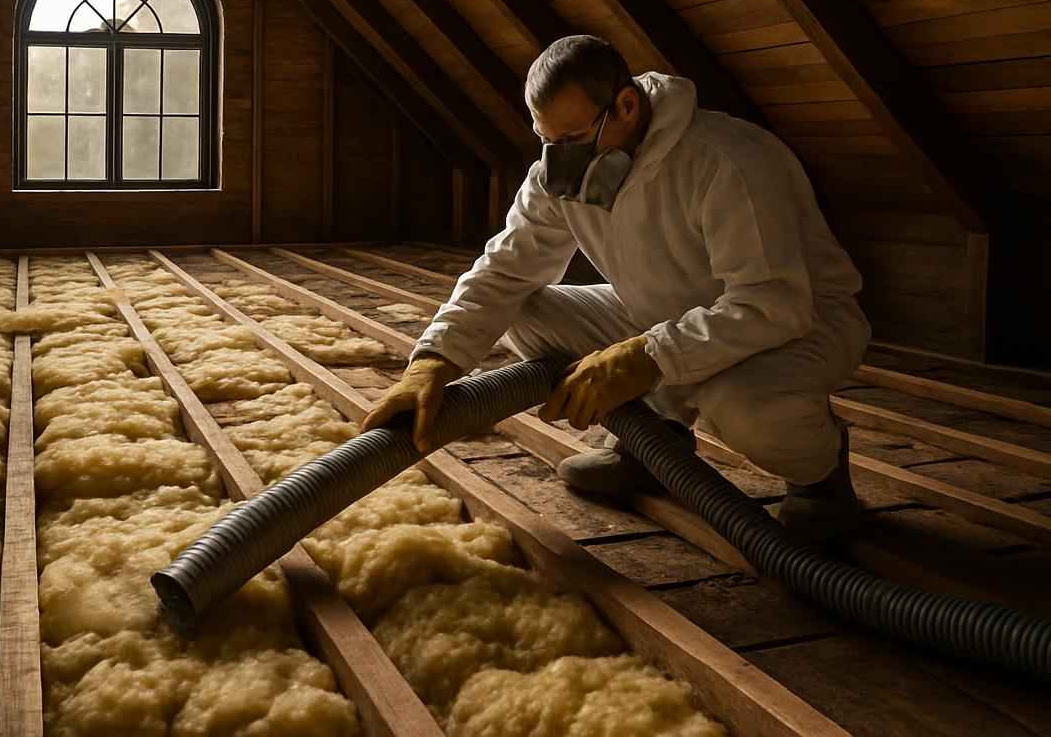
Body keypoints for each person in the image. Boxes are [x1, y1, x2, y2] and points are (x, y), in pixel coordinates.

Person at [360, 35, 872, 540]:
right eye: (546, 139)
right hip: (662, 315)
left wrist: (645, 357)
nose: (559, 159)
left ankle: (820, 477)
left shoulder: (727, 160)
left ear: (626, 106)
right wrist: (431, 361)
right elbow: (504, 269)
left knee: (739, 405)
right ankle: (654, 442)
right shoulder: (560, 171)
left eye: (573, 139)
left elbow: (773, 303)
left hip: (799, 327)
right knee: (526, 308)